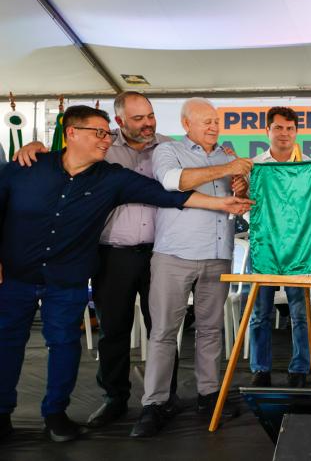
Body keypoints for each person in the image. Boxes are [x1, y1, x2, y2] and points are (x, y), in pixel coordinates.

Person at [0, 105, 250, 443]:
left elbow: (165, 195)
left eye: (107, 133)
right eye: (99, 133)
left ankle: (56, 415)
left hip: (69, 278)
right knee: (10, 344)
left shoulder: (113, 176)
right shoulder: (25, 168)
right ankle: (6, 412)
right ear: (71, 133)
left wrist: (223, 204)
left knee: (64, 346)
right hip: (20, 275)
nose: (106, 139)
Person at [13, 92, 188, 429]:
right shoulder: (102, 147)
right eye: (138, 119)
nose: (148, 123)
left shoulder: (172, 149)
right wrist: (33, 145)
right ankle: (115, 398)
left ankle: (165, 398)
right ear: (119, 121)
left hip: (161, 254)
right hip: (112, 254)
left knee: (162, 329)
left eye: (150, 115)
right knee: (113, 330)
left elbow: (198, 174)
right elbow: (64, 162)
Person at [131, 98, 253, 438]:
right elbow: (172, 182)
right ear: (187, 125)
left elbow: (237, 198)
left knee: (212, 330)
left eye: (216, 120)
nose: (214, 126)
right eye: (205, 121)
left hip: (218, 254)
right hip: (174, 255)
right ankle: (154, 403)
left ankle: (208, 394)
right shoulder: (168, 150)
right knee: (164, 333)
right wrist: (228, 170)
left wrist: (241, 186)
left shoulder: (228, 155)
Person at [247, 106, 311, 388]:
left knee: (300, 313)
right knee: (260, 312)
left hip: (297, 250)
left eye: (289, 128)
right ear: (267, 131)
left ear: (296, 131)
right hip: (263, 247)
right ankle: (260, 368)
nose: (284, 133)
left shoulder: (309, 167)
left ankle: (300, 368)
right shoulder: (253, 166)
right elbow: (245, 208)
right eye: (278, 128)